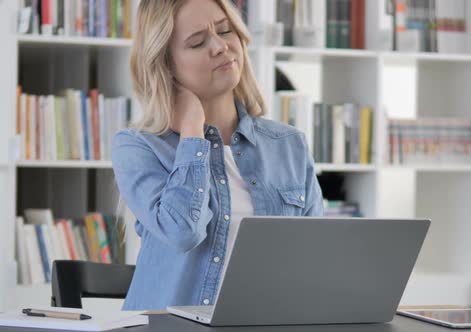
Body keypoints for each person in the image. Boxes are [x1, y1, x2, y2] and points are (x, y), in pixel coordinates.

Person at [111, 0, 324, 310]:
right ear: (166, 65)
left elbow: (314, 257)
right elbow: (183, 232)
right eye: (197, 42)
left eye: (225, 30)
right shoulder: (138, 147)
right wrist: (192, 131)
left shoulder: (289, 145)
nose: (220, 46)